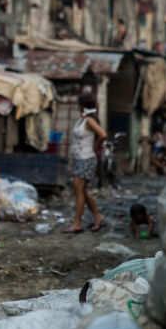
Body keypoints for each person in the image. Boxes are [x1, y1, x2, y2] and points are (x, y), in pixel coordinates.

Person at [63, 94, 107, 234]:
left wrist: (95, 147)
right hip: (79, 158)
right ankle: (98, 217)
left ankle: (77, 223)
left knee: (78, 190)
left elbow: (103, 135)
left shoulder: (89, 120)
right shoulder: (82, 120)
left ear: (82, 105)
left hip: (86, 158)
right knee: (81, 190)